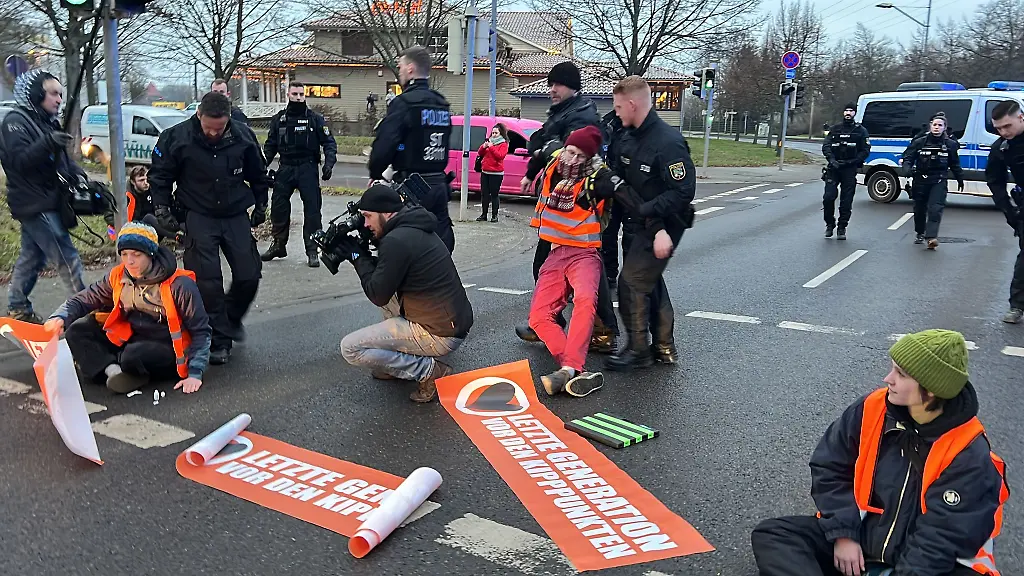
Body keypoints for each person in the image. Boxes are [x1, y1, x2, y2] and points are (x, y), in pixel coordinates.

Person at [751, 329, 1009, 576]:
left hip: (927, 559)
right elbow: (829, 466)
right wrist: (843, 534)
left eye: (901, 374)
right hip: (863, 538)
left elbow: (942, 537)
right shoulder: (871, 407)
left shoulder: (968, 450)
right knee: (774, 534)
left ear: (930, 390)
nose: (888, 379)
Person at [148, 91, 269, 365]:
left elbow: (258, 174)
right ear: (198, 116)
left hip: (234, 212)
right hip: (198, 213)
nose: (214, 134)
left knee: (249, 274)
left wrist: (261, 204)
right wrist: (162, 209)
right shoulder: (175, 137)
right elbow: (160, 176)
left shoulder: (242, 136)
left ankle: (230, 318)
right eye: (209, 128)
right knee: (208, 281)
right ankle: (219, 340)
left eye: (220, 128)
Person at [513, 60, 618, 355]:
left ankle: (595, 329)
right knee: (561, 273)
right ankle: (561, 322)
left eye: (556, 84)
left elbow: (562, 154)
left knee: (576, 277)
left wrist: (546, 148)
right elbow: (542, 143)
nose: (551, 89)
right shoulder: (563, 112)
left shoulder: (581, 116)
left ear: (572, 86)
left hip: (577, 213)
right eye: (550, 84)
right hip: (563, 213)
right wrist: (531, 168)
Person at [338, 185, 473, 403]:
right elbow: (385, 277)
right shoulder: (414, 226)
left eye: (368, 217)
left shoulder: (396, 241)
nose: (365, 224)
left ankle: (428, 371)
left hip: (439, 334)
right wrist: (363, 252)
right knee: (387, 294)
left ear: (387, 213)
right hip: (451, 321)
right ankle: (397, 365)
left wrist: (356, 256)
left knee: (351, 348)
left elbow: (377, 293)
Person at [43, 222, 211, 395]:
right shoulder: (118, 275)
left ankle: (116, 366)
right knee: (77, 331)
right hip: (130, 337)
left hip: (166, 347)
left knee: (133, 355)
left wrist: (195, 374)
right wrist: (61, 317)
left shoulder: (180, 285)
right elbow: (85, 298)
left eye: (136, 255)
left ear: (150, 254)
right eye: (124, 254)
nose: (129, 261)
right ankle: (113, 371)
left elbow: (201, 331)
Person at [598, 76, 695, 371]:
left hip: (665, 223)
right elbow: (620, 178)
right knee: (648, 281)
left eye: (617, 107)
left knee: (632, 282)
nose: (615, 113)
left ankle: (639, 350)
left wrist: (655, 221)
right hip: (638, 222)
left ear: (632, 104)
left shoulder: (668, 142)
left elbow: (682, 191)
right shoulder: (628, 136)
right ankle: (664, 346)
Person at [526, 126, 612, 397]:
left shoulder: (598, 178)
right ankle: (575, 370)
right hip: (555, 252)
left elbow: (619, 189)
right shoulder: (555, 161)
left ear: (589, 159)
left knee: (585, 302)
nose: (572, 160)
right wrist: (529, 174)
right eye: (570, 152)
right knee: (538, 318)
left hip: (585, 254)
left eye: (580, 157)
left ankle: (570, 367)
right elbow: (539, 153)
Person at [0, 68, 86, 324]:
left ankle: (17, 306)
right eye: (53, 94)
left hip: (47, 199)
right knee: (66, 256)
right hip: (35, 203)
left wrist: (78, 175)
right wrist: (48, 142)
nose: (59, 100)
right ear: (36, 94)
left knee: (32, 257)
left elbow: (62, 161)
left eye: (60, 94)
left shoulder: (46, 121)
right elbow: (19, 162)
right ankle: (85, 309)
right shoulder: (15, 122)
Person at [368, 45, 455, 253]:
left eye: (400, 67)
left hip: (412, 187)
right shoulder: (441, 104)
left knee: (403, 246)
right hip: (439, 184)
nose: (398, 72)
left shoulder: (404, 103)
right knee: (441, 244)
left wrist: (376, 171)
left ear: (410, 69)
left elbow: (386, 143)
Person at [261, 81, 338, 268]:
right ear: (288, 95)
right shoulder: (279, 119)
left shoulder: (315, 119)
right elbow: (270, 146)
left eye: (301, 94)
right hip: (285, 167)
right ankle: (279, 244)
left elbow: (329, 143)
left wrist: (329, 164)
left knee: (312, 211)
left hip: (308, 167)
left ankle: (312, 250)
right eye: (295, 94)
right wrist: (261, 166)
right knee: (278, 207)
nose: (298, 97)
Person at [985, 99, 1024, 324]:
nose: (1003, 132)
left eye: (1007, 126)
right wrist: (1008, 210)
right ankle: (1017, 305)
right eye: (998, 128)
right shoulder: (1001, 147)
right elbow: (995, 181)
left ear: (1021, 117)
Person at [901, 112, 963, 249]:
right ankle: (920, 232)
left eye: (940, 125)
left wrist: (960, 178)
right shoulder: (919, 142)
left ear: (944, 128)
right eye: (934, 125)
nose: (936, 127)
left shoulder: (950, 145)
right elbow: (908, 158)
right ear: (930, 126)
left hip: (938, 180)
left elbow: (955, 164)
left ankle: (931, 238)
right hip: (921, 179)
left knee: (935, 209)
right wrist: (907, 169)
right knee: (919, 209)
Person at [822, 104, 871, 240]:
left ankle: (842, 227)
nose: (848, 113)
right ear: (843, 112)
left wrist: (852, 162)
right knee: (828, 197)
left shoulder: (860, 131)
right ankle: (830, 224)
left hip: (849, 169)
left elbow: (865, 150)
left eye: (851, 111)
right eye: (846, 110)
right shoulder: (835, 129)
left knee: (846, 201)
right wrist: (832, 160)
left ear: (855, 113)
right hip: (834, 168)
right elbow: (826, 146)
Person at [476, 123, 508, 222]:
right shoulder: (489, 142)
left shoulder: (504, 144)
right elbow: (480, 153)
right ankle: (484, 214)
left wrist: (491, 147)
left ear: (500, 134)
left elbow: (500, 156)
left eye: (496, 133)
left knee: (494, 194)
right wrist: (483, 146)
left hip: (496, 173)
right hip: (485, 171)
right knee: (484, 194)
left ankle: (494, 216)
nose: (493, 135)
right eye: (492, 132)